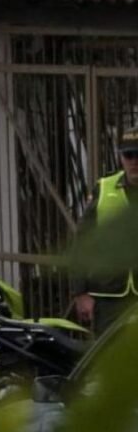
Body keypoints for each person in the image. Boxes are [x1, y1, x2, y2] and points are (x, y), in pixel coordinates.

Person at [73, 126, 138, 335]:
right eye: (129, 155)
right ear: (121, 158)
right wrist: (80, 292)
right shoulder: (104, 189)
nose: (134, 161)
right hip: (109, 299)